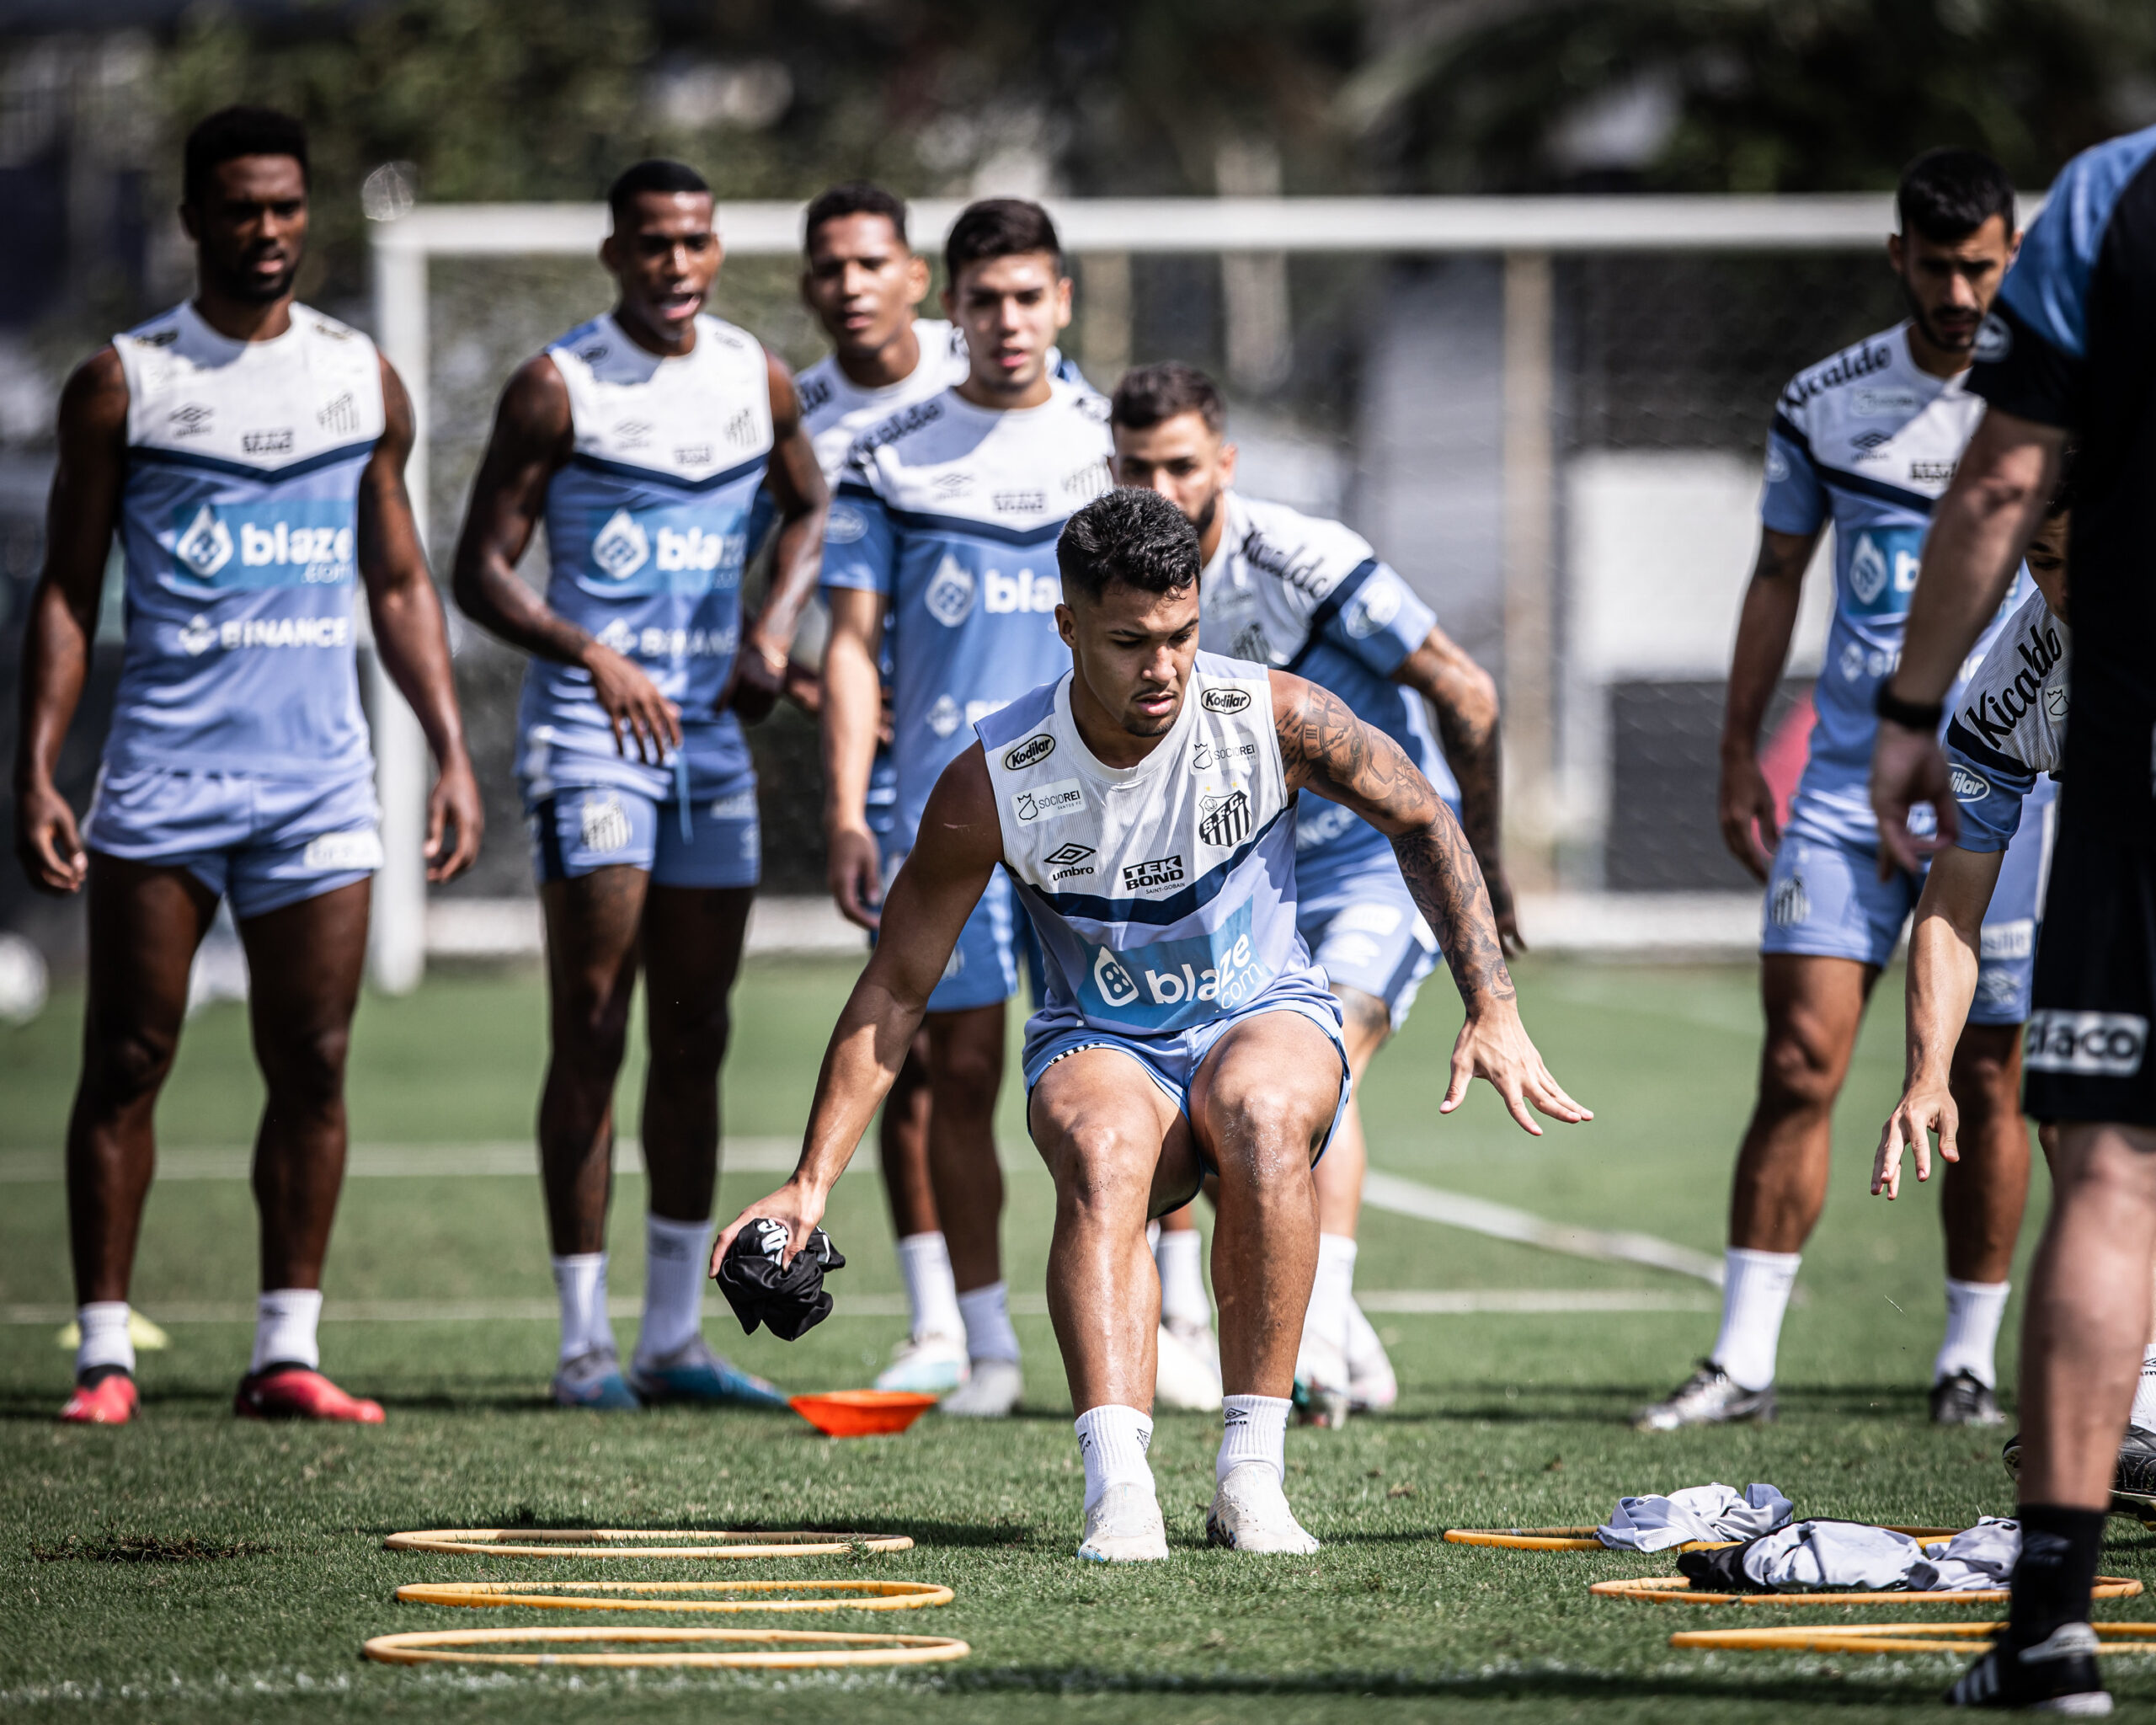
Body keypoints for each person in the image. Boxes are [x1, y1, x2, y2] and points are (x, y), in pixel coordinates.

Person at [714, 487, 1587, 1560]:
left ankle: (1250, 1480)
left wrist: (1491, 1004)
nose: (1163, 667)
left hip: (1260, 1012)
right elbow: (896, 988)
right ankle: (1118, 1489)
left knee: (1263, 1112)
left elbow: (1420, 812)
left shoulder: (1275, 717)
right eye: (1129, 641)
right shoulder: (994, 778)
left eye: (1180, 635)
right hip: (1100, 1039)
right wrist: (809, 1182)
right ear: (1069, 626)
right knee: (1103, 1144)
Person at [12, 105, 483, 1425]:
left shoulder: (357, 379)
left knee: (315, 1060)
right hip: (162, 780)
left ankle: (288, 1349)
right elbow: (64, 586)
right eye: (238, 209)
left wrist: (449, 748)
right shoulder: (126, 382)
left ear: (305, 213)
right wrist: (39, 764)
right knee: (126, 1057)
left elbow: (398, 581)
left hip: (319, 788)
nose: (265, 231)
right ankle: (104, 1353)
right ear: (193, 220)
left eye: (284, 207)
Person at [1636, 147, 2047, 1433]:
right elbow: (1776, 576)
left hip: (2010, 780)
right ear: (1898, 261)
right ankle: (1743, 1360)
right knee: (1803, 1057)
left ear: (2012, 257)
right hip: (1843, 778)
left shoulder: (2057, 398)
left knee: (1989, 1072)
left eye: (1983, 266)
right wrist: (1733, 749)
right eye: (1937, 268)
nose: (1961, 292)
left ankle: (1965, 1363)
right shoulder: (1827, 399)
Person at [451, 158, 826, 1410]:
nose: (677, 264)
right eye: (654, 244)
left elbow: (810, 508)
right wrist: (589, 649)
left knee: (699, 1033)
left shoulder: (754, 375)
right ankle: (579, 1347)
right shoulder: (556, 387)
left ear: (717, 253)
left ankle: (672, 1339)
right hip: (588, 735)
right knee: (597, 1025)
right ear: (617, 255)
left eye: (698, 242)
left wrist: (773, 631)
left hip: (710, 742)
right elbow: (479, 569)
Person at [1870, 122, 2156, 1712]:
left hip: (2142, 757)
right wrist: (1922, 1074)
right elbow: (1955, 897)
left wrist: (1899, 697)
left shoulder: (2116, 194)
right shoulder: (2026, 675)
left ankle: (2046, 1621)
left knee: (2111, 1158)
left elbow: (1998, 464)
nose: (2051, 576)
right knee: (2075, 1131)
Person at [1108, 360, 1519, 1425]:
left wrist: (1485, 854)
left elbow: (1467, 693)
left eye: (1182, 463)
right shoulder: (1108, 579)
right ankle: (1291, 1330)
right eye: (1139, 464)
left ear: (1225, 462)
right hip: (1240, 873)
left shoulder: (1305, 560)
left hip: (1372, 865)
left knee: (1309, 1058)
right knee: (1215, 1078)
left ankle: (1317, 1329)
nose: (1161, 483)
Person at [819, 198, 1113, 1418]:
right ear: (952, 305)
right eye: (984, 299)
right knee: (956, 1070)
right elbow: (848, 645)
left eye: (1029, 296)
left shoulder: (1110, 446)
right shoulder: (891, 453)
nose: (1007, 321)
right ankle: (980, 1341)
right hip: (946, 810)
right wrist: (848, 807)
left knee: (1144, 1056)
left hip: (1104, 811)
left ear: (1062, 304)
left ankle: (1181, 1317)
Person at [791, 182, 972, 1396]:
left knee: (1136, 1034)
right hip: (918, 771)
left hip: (1052, 761)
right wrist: (821, 704)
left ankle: (1172, 1317)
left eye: (872, 263)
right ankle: (938, 1322)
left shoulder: (1008, 366)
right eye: (829, 268)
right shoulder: (799, 415)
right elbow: (808, 603)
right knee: (905, 1029)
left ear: (916, 277)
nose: (850, 285)